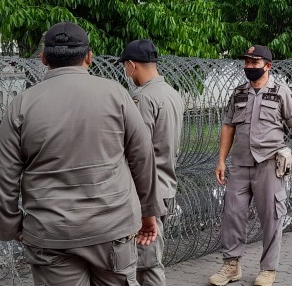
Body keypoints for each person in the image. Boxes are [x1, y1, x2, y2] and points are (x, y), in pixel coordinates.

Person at [0, 22, 164, 286]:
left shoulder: (21, 105)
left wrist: (11, 226)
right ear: (89, 56)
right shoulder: (116, 95)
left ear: (43, 58)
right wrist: (148, 214)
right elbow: (142, 157)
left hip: (50, 232)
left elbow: (5, 174)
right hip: (112, 228)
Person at [209, 45, 292, 286]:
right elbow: (228, 126)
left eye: (255, 63)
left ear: (267, 66)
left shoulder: (280, 91)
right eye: (247, 62)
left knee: (271, 217)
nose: (249, 67)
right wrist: (221, 159)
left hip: (269, 163)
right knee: (233, 213)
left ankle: (268, 269)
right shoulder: (239, 92)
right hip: (241, 164)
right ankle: (231, 266)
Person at [120, 39, 185, 286]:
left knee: (148, 263)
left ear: (131, 65)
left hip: (148, 191)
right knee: (150, 257)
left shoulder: (143, 98)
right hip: (166, 183)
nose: (126, 73)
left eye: (125, 68)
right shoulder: (172, 93)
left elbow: (138, 151)